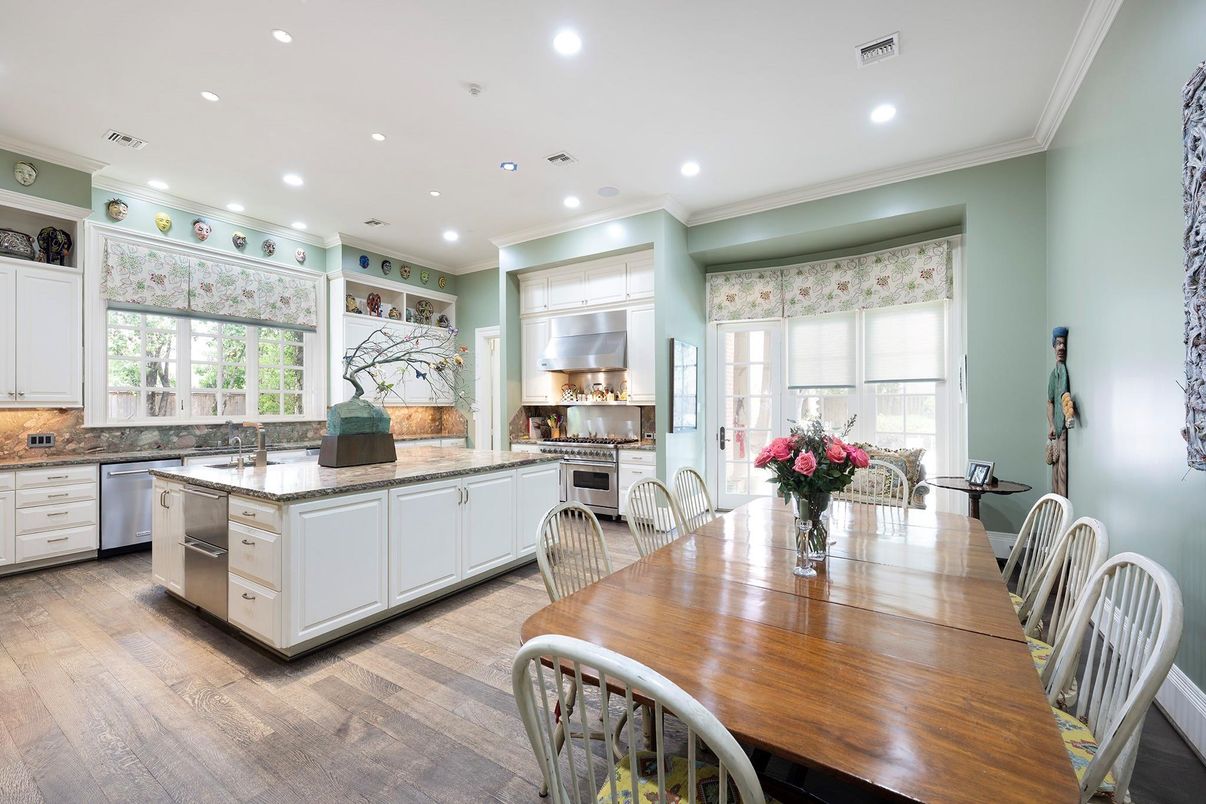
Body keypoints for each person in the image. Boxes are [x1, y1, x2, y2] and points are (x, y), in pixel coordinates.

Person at [1047, 327, 1070, 496]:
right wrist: (1051, 425)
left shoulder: (1063, 372)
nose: (1062, 347)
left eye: (1064, 343)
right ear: (1054, 346)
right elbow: (1050, 402)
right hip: (1056, 430)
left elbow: (1064, 397)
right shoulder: (1053, 375)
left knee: (1062, 474)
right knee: (1055, 474)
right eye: (1058, 343)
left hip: (1063, 431)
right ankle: (1055, 517)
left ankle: (1062, 515)